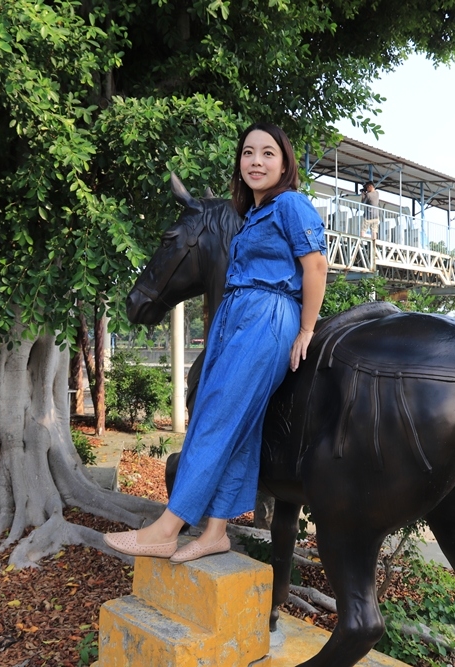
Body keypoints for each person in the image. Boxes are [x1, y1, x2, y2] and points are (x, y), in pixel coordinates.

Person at [104, 122, 328, 564]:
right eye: (248, 153)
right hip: (238, 317)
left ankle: (167, 528)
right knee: (235, 422)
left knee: (216, 416)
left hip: (267, 316)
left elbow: (316, 265)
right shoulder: (254, 214)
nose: (257, 161)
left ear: (285, 163)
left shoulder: (291, 205)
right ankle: (215, 532)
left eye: (268, 153)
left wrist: (306, 330)